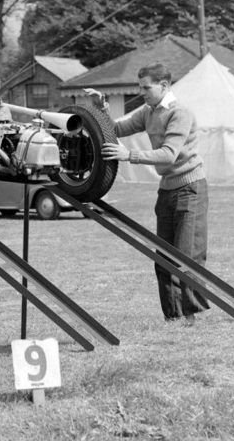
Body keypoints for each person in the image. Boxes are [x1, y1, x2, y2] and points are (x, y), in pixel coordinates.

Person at [84, 63, 209, 325]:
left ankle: (192, 317)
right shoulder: (149, 111)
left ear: (164, 86)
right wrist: (101, 108)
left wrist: (128, 155)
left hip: (190, 188)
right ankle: (173, 318)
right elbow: (115, 130)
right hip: (166, 190)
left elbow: (168, 154)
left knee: (187, 254)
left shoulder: (180, 113)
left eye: (146, 87)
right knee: (162, 258)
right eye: (140, 87)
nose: (141, 92)